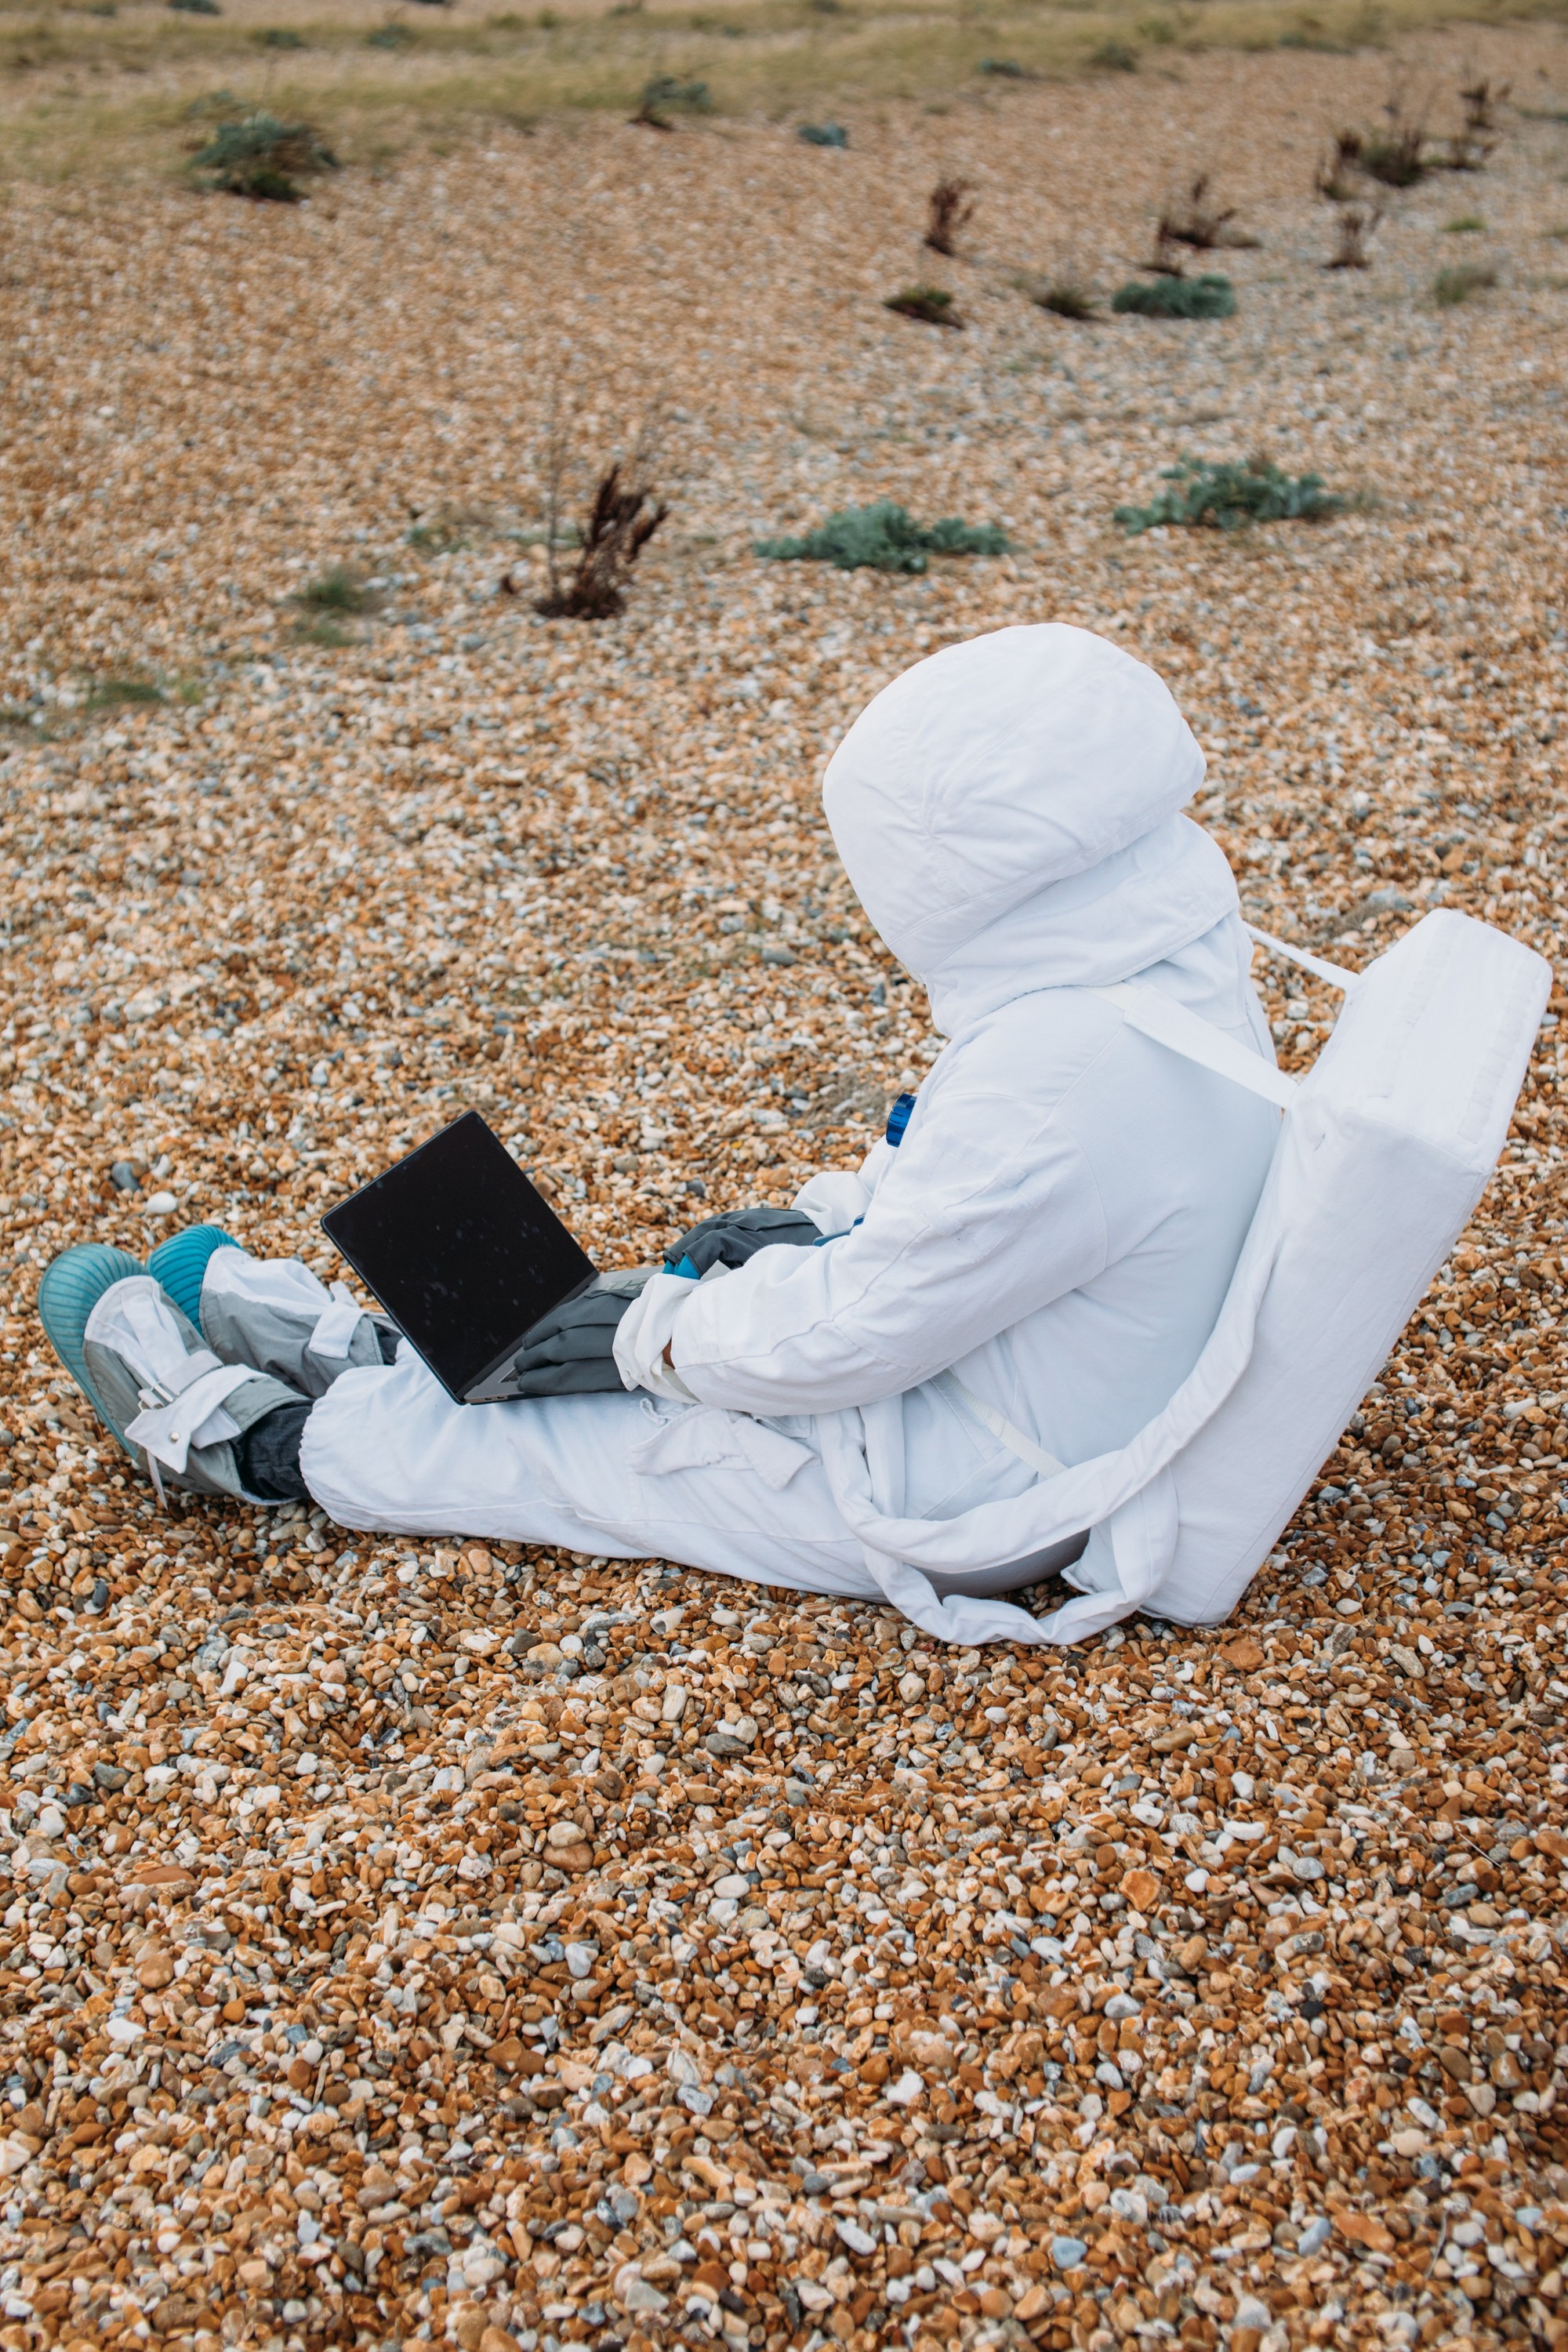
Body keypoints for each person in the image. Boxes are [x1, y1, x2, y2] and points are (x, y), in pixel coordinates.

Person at [39, 623, 1280, 1643]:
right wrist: (819, 1224)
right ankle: (391, 1350)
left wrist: (657, 1337)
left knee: (593, 1447)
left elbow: (860, 1335)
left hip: (966, 1485)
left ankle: (254, 1444)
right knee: (621, 1329)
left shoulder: (1067, 1070)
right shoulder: (1155, 950)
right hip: (1006, 1383)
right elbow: (983, 1224)